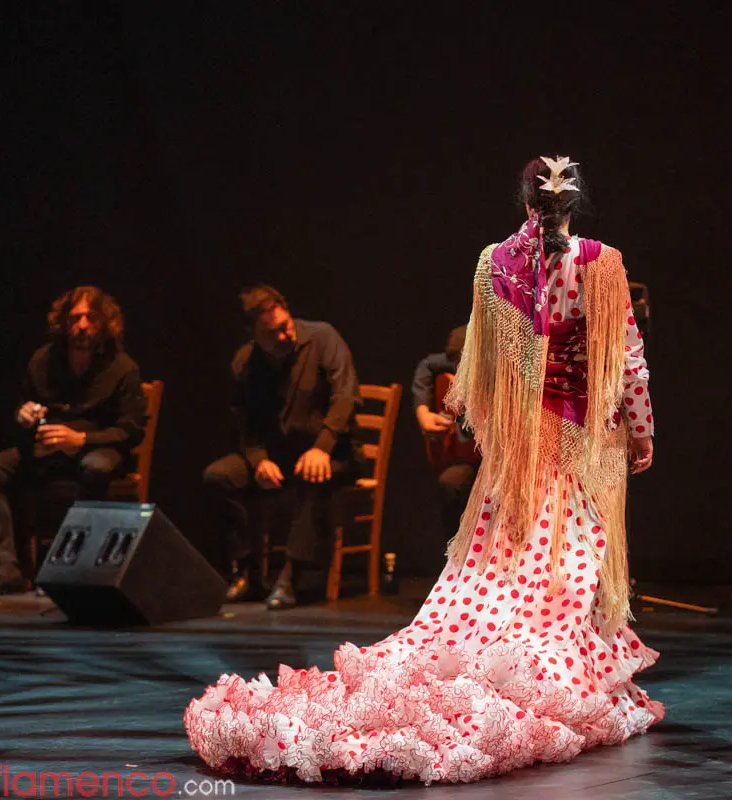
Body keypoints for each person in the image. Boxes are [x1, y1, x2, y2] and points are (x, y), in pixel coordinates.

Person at [184, 156, 663, 784]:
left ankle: (503, 647)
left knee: (502, 562)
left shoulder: (495, 263)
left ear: (525, 205)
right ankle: (561, 673)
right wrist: (642, 432)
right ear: (574, 205)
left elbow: (481, 371)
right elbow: (628, 360)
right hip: (584, 442)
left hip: (518, 451)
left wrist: (504, 433)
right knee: (570, 563)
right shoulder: (604, 263)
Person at [0, 286, 147, 593]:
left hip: (97, 447)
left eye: (90, 318)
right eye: (75, 318)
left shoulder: (123, 367)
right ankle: (9, 568)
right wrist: (23, 415)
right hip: (48, 449)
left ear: (104, 323)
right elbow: (25, 405)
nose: (81, 326)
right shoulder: (43, 360)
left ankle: (77, 563)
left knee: (95, 468)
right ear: (64, 323)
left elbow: (130, 431)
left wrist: (81, 438)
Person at [203, 285, 361, 609]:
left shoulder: (322, 337)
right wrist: (258, 460)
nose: (285, 335)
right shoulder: (246, 362)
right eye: (272, 332)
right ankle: (246, 571)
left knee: (311, 472)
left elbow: (346, 396)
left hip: (332, 451)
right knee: (218, 476)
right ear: (253, 336)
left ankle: (290, 575)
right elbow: (243, 422)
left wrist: (323, 447)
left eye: (286, 325)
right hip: (277, 456)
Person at [412, 325, 480, 538]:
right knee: (450, 483)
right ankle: (454, 558)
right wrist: (423, 411)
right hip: (470, 457)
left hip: (503, 462)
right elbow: (427, 365)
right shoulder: (455, 358)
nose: (458, 371)